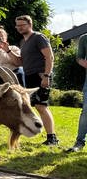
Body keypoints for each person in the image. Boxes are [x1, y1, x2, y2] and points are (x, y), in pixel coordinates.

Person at [9, 15, 58, 145]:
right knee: (37, 106)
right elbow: (19, 62)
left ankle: (52, 138)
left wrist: (47, 76)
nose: (19, 27)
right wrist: (7, 50)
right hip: (29, 76)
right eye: (17, 25)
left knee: (42, 106)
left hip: (41, 75)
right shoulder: (23, 42)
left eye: (22, 25)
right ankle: (48, 136)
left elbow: (49, 57)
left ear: (30, 24)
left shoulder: (38, 37)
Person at [66, 33, 87, 152]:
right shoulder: (84, 38)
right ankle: (79, 142)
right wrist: (83, 63)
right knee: (86, 110)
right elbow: (79, 57)